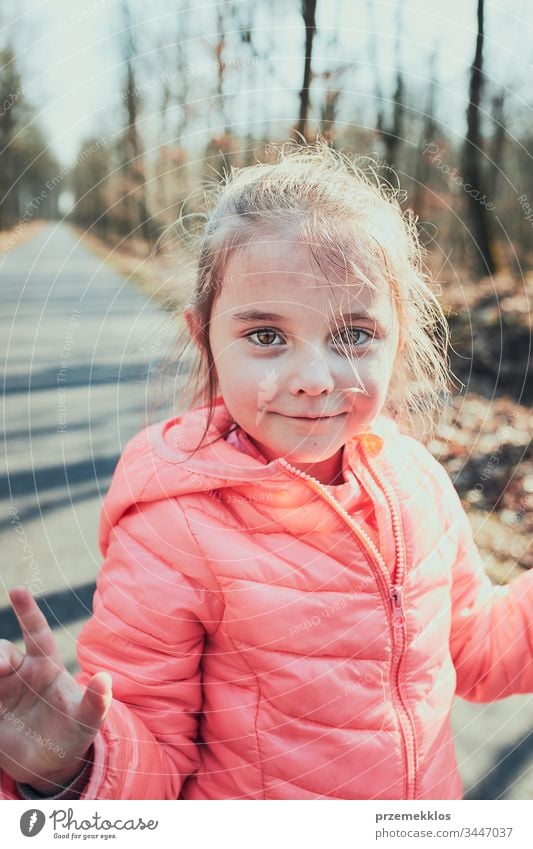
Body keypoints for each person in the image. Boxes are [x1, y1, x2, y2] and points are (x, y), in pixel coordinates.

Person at [1, 141, 532, 801]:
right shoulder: (174, 526)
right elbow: (152, 757)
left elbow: (479, 650)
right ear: (205, 339)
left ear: (399, 338)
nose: (312, 379)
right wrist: (67, 766)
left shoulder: (414, 480)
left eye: (352, 335)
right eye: (265, 336)